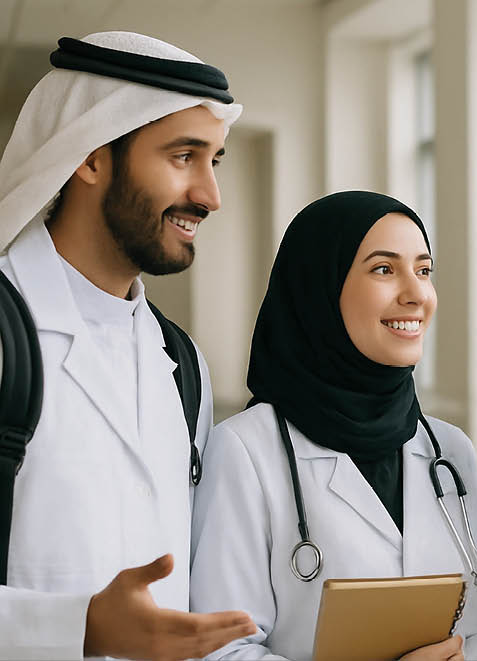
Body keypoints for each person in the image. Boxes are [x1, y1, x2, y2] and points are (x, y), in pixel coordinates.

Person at [0, 31, 256, 659]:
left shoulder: (182, 363)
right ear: (90, 156)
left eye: (214, 161)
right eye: (183, 156)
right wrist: (76, 627)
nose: (209, 195)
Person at [190, 191, 477, 660]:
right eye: (384, 269)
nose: (416, 293)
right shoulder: (247, 450)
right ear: (321, 287)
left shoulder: (449, 452)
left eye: (423, 269)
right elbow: (219, 650)